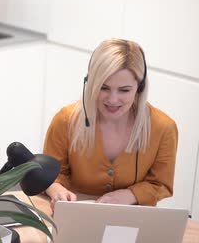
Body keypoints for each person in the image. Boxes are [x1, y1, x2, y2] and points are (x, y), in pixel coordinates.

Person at [43, 38, 178, 208]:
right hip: (76, 216)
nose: (113, 100)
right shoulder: (66, 120)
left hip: (134, 222)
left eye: (124, 90)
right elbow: (51, 175)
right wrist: (56, 189)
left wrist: (131, 195)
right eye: (104, 88)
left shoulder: (164, 128)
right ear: (90, 83)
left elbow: (161, 184)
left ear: (140, 87)